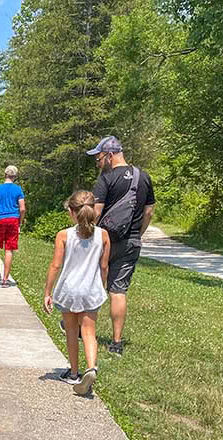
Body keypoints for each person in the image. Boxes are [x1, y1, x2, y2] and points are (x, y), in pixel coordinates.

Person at [87, 136, 155, 356]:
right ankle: (116, 343)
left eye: (98, 159)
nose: (98, 163)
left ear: (109, 155)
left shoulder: (106, 178)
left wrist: (88, 235)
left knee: (94, 284)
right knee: (118, 290)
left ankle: (83, 329)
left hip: (105, 239)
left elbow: (96, 211)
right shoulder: (143, 177)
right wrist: (138, 234)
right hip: (131, 241)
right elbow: (149, 212)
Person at [43, 190, 110, 395]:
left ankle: (73, 373)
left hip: (69, 290)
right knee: (89, 332)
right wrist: (102, 285)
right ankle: (91, 368)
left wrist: (47, 292)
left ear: (72, 212)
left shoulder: (64, 235)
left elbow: (55, 265)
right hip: (91, 290)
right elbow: (104, 266)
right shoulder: (103, 235)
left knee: (72, 331)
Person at [0, 165, 26, 287]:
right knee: (9, 249)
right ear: (15, 176)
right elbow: (22, 209)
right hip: (13, 220)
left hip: (0, 220)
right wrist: (20, 222)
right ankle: (5, 280)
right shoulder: (18, 189)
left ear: (5, 175)